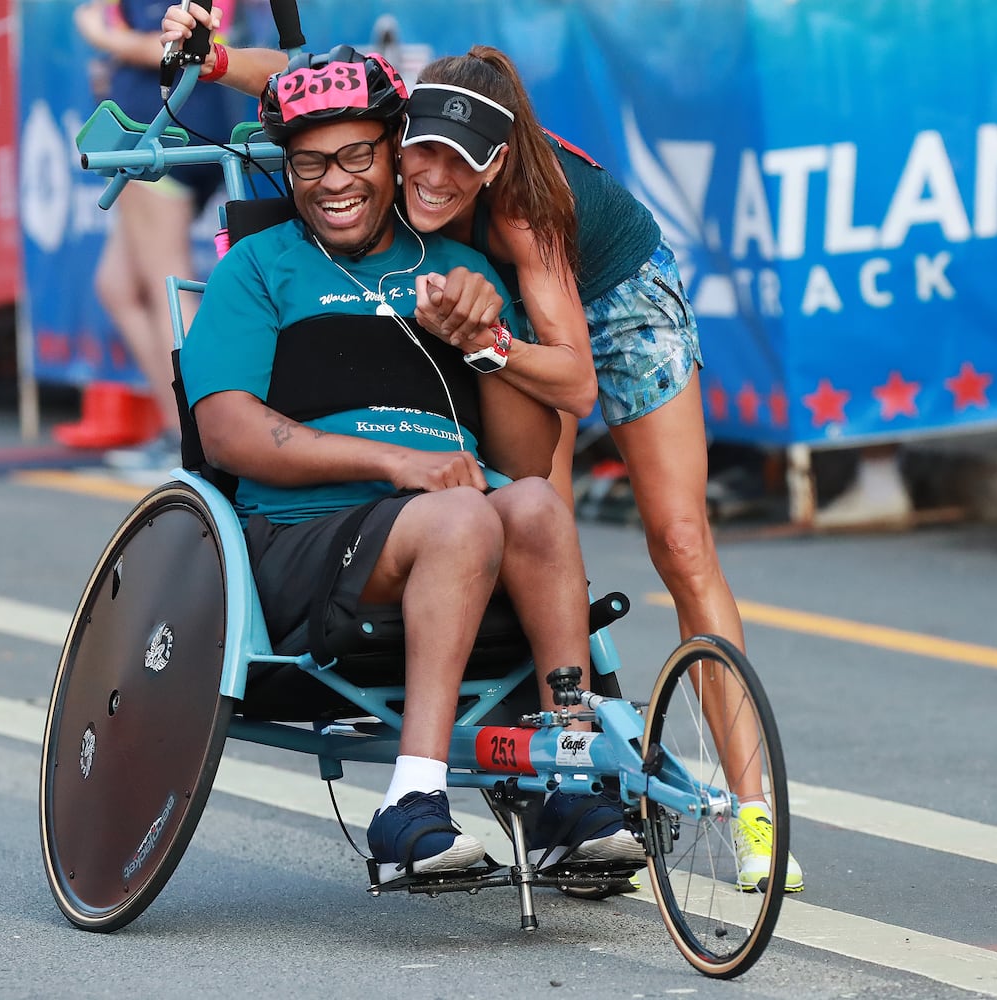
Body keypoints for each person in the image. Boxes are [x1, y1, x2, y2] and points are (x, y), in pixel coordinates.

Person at [159, 5, 801, 893]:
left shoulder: (510, 233)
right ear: (401, 134)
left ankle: (689, 801)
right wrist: (215, 52)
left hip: (600, 300)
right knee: (502, 508)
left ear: (487, 163)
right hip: (349, 519)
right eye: (408, 151)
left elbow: (567, 392)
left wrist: (488, 338)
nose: (418, 174)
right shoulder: (280, 246)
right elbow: (304, 88)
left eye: (366, 158)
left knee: (612, 524)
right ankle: (453, 792)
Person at [178, 47, 642, 881]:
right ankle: (411, 801)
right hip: (306, 539)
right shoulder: (258, 266)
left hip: (449, 524)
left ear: (394, 155)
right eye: (310, 163)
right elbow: (228, 434)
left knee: (534, 505)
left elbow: (526, 458)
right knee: (464, 514)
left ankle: (569, 780)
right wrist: (399, 464)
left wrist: (484, 342)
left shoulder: (463, 271)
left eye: (357, 156)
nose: (333, 181)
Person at [74, 0, 243, 472]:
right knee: (119, 286)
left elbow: (191, 48)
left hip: (162, 135)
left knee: (169, 283)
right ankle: (180, 432)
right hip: (153, 131)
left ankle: (206, 439)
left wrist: (104, 37)